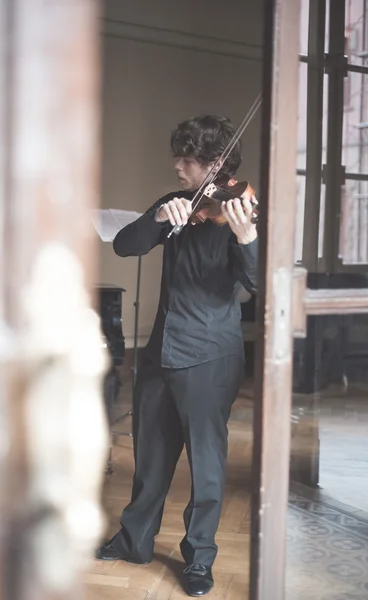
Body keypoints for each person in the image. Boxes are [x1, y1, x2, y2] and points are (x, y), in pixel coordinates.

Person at [96, 114, 258, 597]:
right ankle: (134, 540)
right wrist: (158, 219)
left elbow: (258, 284)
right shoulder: (176, 204)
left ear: (215, 164)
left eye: (186, 159)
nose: (177, 166)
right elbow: (126, 245)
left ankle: (200, 558)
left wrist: (247, 241)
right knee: (151, 456)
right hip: (160, 353)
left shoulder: (241, 214)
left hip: (210, 356)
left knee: (207, 466)